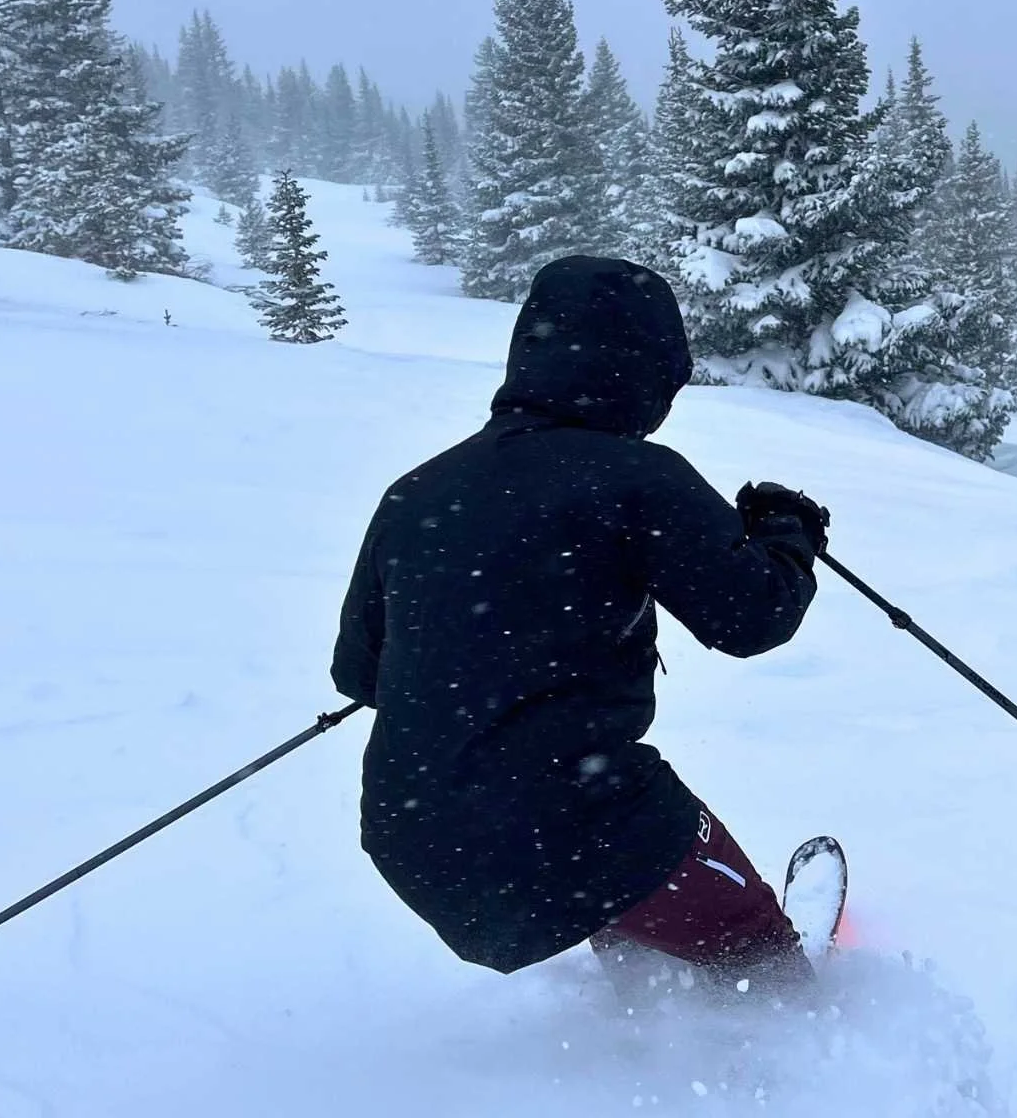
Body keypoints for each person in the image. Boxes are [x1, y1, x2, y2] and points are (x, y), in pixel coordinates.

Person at [330, 254, 831, 996]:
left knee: (601, 867)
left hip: (419, 839)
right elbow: (752, 616)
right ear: (649, 370)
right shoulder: (634, 474)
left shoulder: (417, 492)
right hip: (579, 824)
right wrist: (786, 536)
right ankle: (797, 1026)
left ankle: (652, 1004)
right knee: (760, 961)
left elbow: (359, 675)